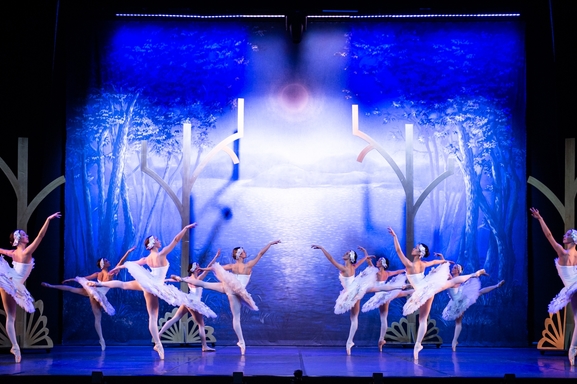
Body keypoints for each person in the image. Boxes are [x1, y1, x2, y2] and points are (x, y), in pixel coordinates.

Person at [88, 223, 210, 360]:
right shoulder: (162, 254)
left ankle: (100, 284)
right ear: (153, 244)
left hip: (146, 282)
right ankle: (158, 344)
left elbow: (132, 263)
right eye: (156, 239)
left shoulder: (147, 259)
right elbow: (176, 240)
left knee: (123, 285)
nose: (158, 240)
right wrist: (185, 229)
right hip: (154, 286)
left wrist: (120, 267)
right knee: (153, 317)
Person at [387, 227, 487, 360]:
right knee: (450, 283)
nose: (413, 248)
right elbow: (434, 262)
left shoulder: (409, 265)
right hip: (429, 288)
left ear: (418, 253)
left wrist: (395, 237)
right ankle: (417, 344)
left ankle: (418, 345)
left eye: (416, 248)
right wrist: (444, 261)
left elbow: (398, 251)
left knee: (422, 319)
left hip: (422, 291)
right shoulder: (423, 264)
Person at [173, 240, 281, 355]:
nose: (245, 252)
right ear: (240, 255)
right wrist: (270, 243)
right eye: (243, 251)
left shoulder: (232, 266)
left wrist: (204, 269)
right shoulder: (248, 265)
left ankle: (182, 279)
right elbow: (260, 254)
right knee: (236, 318)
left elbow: (215, 268)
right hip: (237, 291)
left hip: (228, 287)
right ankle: (241, 342)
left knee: (204, 284)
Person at [41, 246, 136, 350]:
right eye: (106, 260)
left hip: (94, 292)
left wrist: (128, 251)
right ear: (103, 265)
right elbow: (83, 279)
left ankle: (51, 286)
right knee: (97, 317)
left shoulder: (106, 274)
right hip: (95, 292)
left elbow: (120, 262)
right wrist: (71, 279)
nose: (109, 261)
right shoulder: (107, 274)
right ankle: (101, 339)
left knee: (72, 290)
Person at [0, 212, 61, 363]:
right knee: (11, 317)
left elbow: (2, 250)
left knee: (11, 317)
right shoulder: (26, 252)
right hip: (12, 282)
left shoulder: (14, 253)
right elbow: (40, 236)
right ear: (19, 239)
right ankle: (15, 347)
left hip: (9, 282)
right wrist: (47, 219)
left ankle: (15, 347)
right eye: (24, 234)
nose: (27, 235)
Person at [530, 207, 577, 365]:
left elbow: (549, 236)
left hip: (572, 287)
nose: (563, 236)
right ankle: (573, 347)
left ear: (571, 239)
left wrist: (540, 218)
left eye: (566, 234)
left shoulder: (563, 253)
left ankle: (573, 348)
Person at [311, 244, 376, 355]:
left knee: (354, 318)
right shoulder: (353, 267)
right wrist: (366, 254)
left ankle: (349, 342)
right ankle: (349, 342)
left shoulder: (345, 268)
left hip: (352, 293)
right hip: (353, 292)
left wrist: (322, 248)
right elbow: (362, 260)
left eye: (346, 253)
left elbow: (331, 259)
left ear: (349, 257)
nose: (344, 254)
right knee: (354, 318)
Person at [160, 249, 220, 352]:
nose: (199, 268)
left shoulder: (190, 278)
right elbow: (176, 279)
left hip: (187, 300)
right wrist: (215, 257)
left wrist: (215, 257)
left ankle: (158, 335)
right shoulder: (198, 279)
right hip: (194, 303)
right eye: (197, 267)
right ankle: (204, 346)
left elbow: (208, 267)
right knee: (201, 324)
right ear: (194, 270)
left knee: (175, 318)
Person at [441, 263, 505, 351]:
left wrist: (479, 274)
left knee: (479, 292)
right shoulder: (451, 278)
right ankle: (455, 341)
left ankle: (496, 286)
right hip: (454, 301)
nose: (453, 269)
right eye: (453, 267)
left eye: (455, 268)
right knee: (458, 321)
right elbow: (444, 271)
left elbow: (472, 276)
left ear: (458, 271)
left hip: (461, 299)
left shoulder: (460, 279)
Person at [361, 255, 412, 351]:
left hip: (380, 295)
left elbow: (370, 264)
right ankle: (381, 339)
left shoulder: (376, 272)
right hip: (386, 293)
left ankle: (381, 340)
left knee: (383, 317)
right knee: (401, 293)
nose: (377, 261)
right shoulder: (387, 273)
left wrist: (366, 256)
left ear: (382, 264)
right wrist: (405, 270)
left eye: (379, 260)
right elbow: (397, 272)